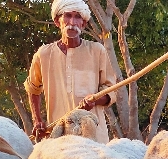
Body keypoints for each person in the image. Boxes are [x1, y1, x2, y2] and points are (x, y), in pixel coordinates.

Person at [24, 0, 117, 143]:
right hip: (59, 135)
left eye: (78, 17)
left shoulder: (97, 51)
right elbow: (32, 88)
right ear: (57, 21)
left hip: (94, 136)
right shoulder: (43, 54)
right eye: (67, 16)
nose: (72, 22)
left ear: (83, 24)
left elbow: (111, 90)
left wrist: (95, 99)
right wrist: (37, 120)